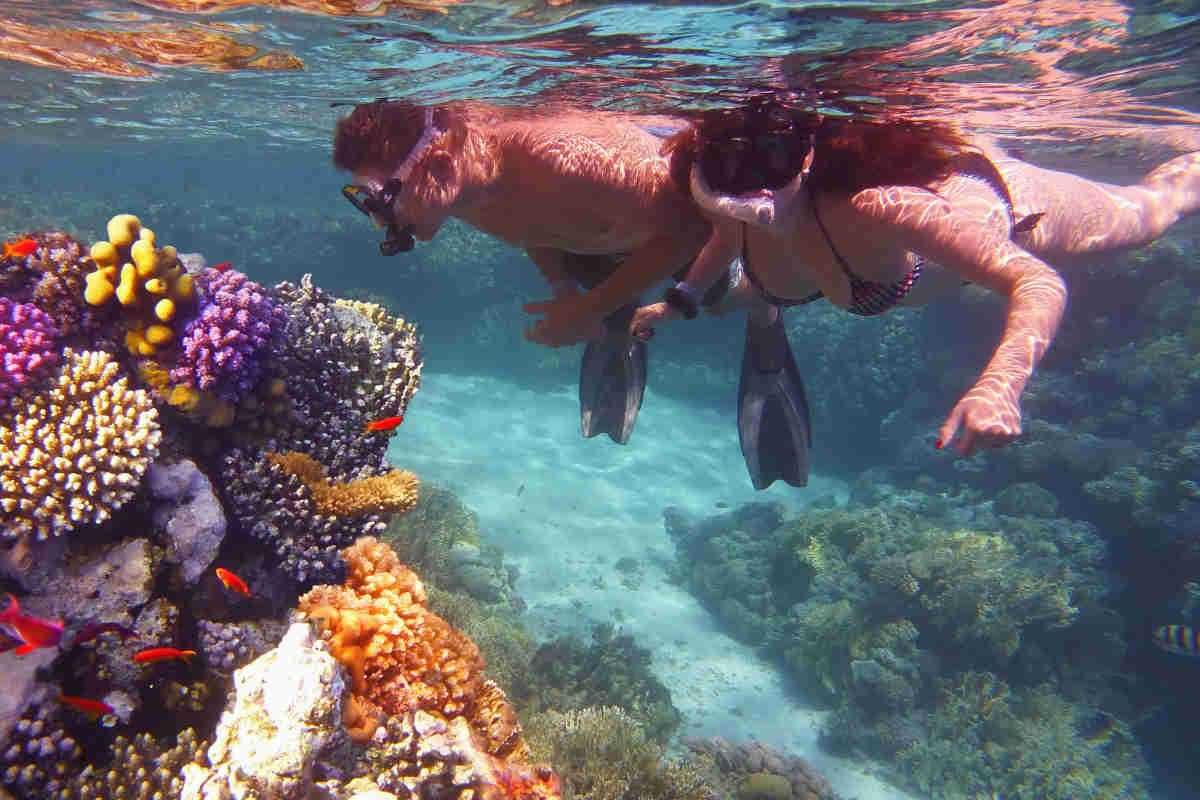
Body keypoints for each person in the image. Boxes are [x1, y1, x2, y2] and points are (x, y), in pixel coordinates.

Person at [606, 95, 1200, 461]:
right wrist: (676, 303)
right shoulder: (732, 203)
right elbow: (726, 236)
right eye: (727, 167)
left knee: (1154, 211)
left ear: (806, 159)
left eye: (772, 161)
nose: (751, 190)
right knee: (743, 281)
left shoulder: (875, 208)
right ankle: (758, 303)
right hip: (847, 266)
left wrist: (1000, 386)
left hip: (1002, 206)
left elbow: (1038, 283)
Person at [332, 100, 792, 461]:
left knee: (718, 297)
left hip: (688, 227)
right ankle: (619, 323)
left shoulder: (556, 162)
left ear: (435, 166)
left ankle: (763, 305)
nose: (382, 221)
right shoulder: (462, 191)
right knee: (606, 301)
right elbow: (528, 230)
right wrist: (564, 293)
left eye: (380, 199)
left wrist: (590, 309)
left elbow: (688, 229)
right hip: (597, 235)